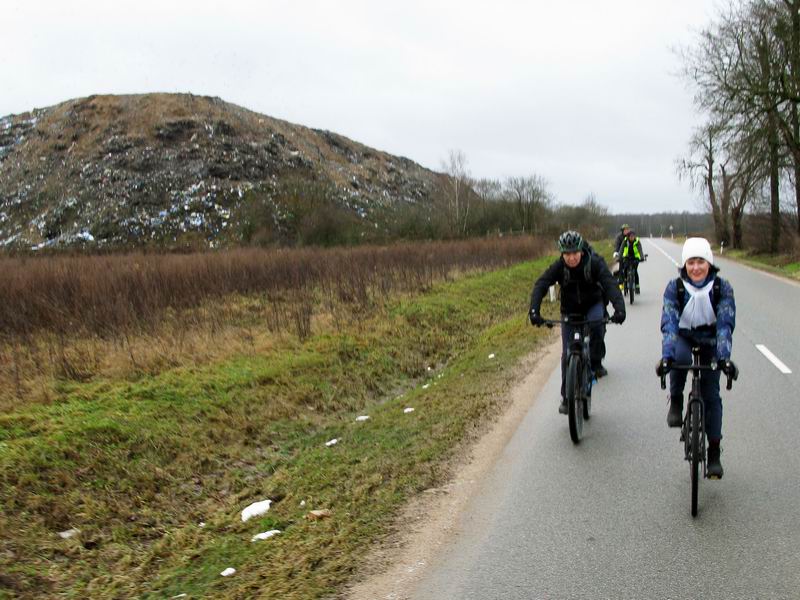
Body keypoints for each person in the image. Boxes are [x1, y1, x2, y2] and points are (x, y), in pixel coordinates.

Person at [656, 237, 736, 478]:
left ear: (709, 263)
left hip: (711, 340)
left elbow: (724, 324)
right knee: (678, 359)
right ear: (685, 265)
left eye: (701, 261)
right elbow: (669, 322)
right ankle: (678, 400)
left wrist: (724, 358)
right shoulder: (675, 287)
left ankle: (713, 452)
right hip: (684, 336)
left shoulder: (722, 288)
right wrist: (666, 357)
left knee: (711, 396)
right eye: (691, 262)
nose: (696, 268)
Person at [529, 231, 626, 414]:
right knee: (567, 352)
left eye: (574, 253)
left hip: (593, 305)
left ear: (581, 251)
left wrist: (619, 308)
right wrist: (534, 310)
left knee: (597, 325)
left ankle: (595, 362)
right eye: (567, 254)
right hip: (570, 311)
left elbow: (610, 284)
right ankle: (567, 397)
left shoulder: (594, 263)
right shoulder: (559, 267)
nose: (571, 258)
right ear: (562, 254)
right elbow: (541, 284)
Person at [619, 229, 644, 294]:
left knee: (635, 271)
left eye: (633, 236)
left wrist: (642, 257)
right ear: (628, 237)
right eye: (630, 236)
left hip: (635, 257)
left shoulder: (637, 241)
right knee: (625, 269)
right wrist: (619, 257)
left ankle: (637, 287)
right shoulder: (625, 241)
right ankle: (625, 282)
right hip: (627, 257)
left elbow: (640, 249)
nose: (632, 237)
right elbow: (621, 249)